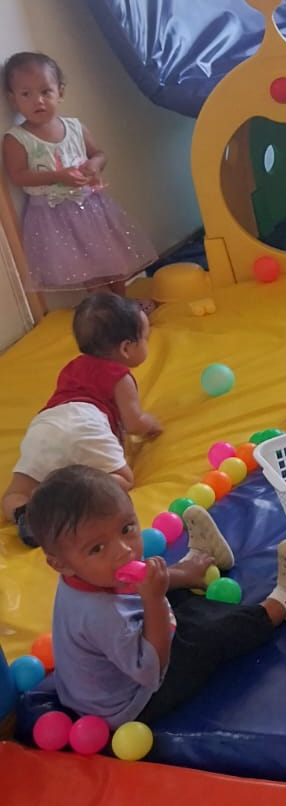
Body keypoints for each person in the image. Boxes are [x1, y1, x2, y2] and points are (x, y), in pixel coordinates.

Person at [25, 465, 286, 727]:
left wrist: (176, 579)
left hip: (112, 669)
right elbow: (151, 670)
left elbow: (137, 587)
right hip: (133, 701)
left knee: (159, 584)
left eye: (127, 528)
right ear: (60, 564)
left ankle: (198, 565)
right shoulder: (101, 615)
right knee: (205, 636)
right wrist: (154, 600)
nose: (124, 551)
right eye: (97, 548)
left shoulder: (88, 572)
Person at [3, 293, 161, 546]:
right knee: (124, 480)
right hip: (85, 425)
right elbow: (134, 423)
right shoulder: (120, 376)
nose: (146, 343)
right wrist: (153, 425)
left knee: (16, 492)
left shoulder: (72, 367)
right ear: (126, 348)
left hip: (45, 427)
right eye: (145, 338)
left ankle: (24, 514)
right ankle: (67, 497)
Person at [3, 52, 157, 293]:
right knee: (87, 270)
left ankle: (123, 304)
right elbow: (18, 176)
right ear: (13, 99)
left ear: (60, 92)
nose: (38, 101)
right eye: (26, 94)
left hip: (91, 207)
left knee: (111, 258)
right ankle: (105, 309)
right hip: (53, 215)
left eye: (46, 91)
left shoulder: (75, 127)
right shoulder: (17, 139)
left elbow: (99, 154)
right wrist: (58, 176)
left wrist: (94, 165)